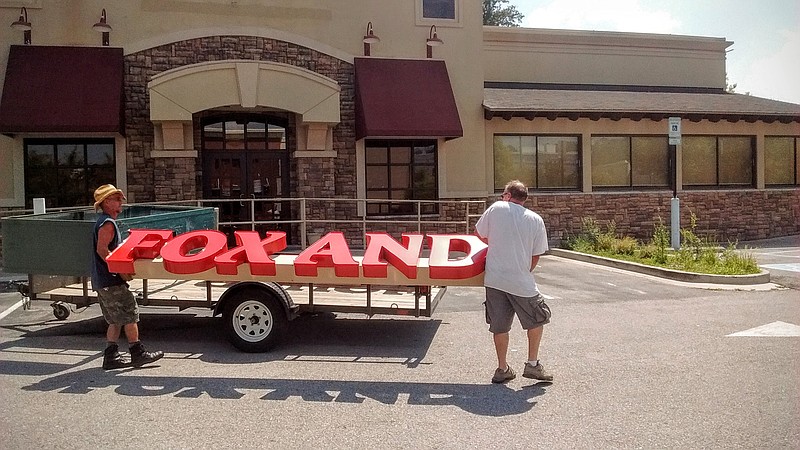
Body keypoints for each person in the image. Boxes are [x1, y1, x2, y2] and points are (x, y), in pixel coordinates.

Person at [475, 180, 553, 384]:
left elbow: (479, 234)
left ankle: (502, 368)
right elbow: (536, 255)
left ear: (508, 196)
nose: (502, 198)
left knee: (499, 325)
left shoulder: (497, 208)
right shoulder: (535, 219)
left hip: (494, 278)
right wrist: (524, 270)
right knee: (537, 319)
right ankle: (533, 364)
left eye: (503, 195)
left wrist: (496, 245)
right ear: (524, 198)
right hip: (521, 281)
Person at [91, 184, 164, 370]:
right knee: (131, 314)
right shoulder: (107, 223)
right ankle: (137, 354)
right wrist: (118, 268)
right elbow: (102, 250)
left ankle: (111, 357)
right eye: (116, 199)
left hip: (102, 281)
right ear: (106, 202)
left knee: (115, 320)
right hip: (111, 279)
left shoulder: (101, 220)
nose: (120, 204)